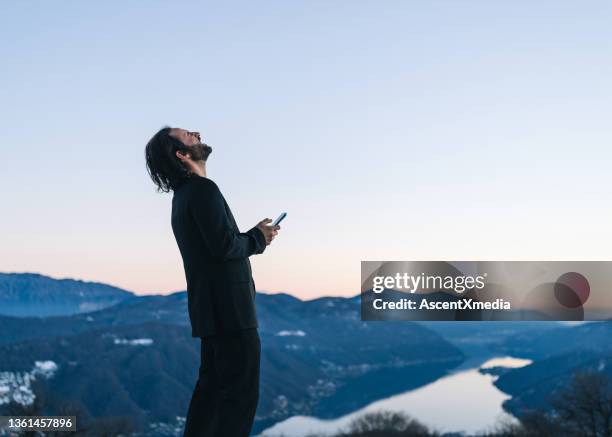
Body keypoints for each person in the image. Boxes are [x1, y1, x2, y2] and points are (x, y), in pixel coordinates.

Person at [144, 126, 280, 436]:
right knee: (239, 398)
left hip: (210, 311)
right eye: (188, 134)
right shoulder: (203, 190)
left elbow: (218, 245)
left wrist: (252, 236)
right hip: (231, 310)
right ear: (182, 154)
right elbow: (224, 247)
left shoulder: (183, 197)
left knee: (211, 393)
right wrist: (258, 238)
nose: (196, 133)